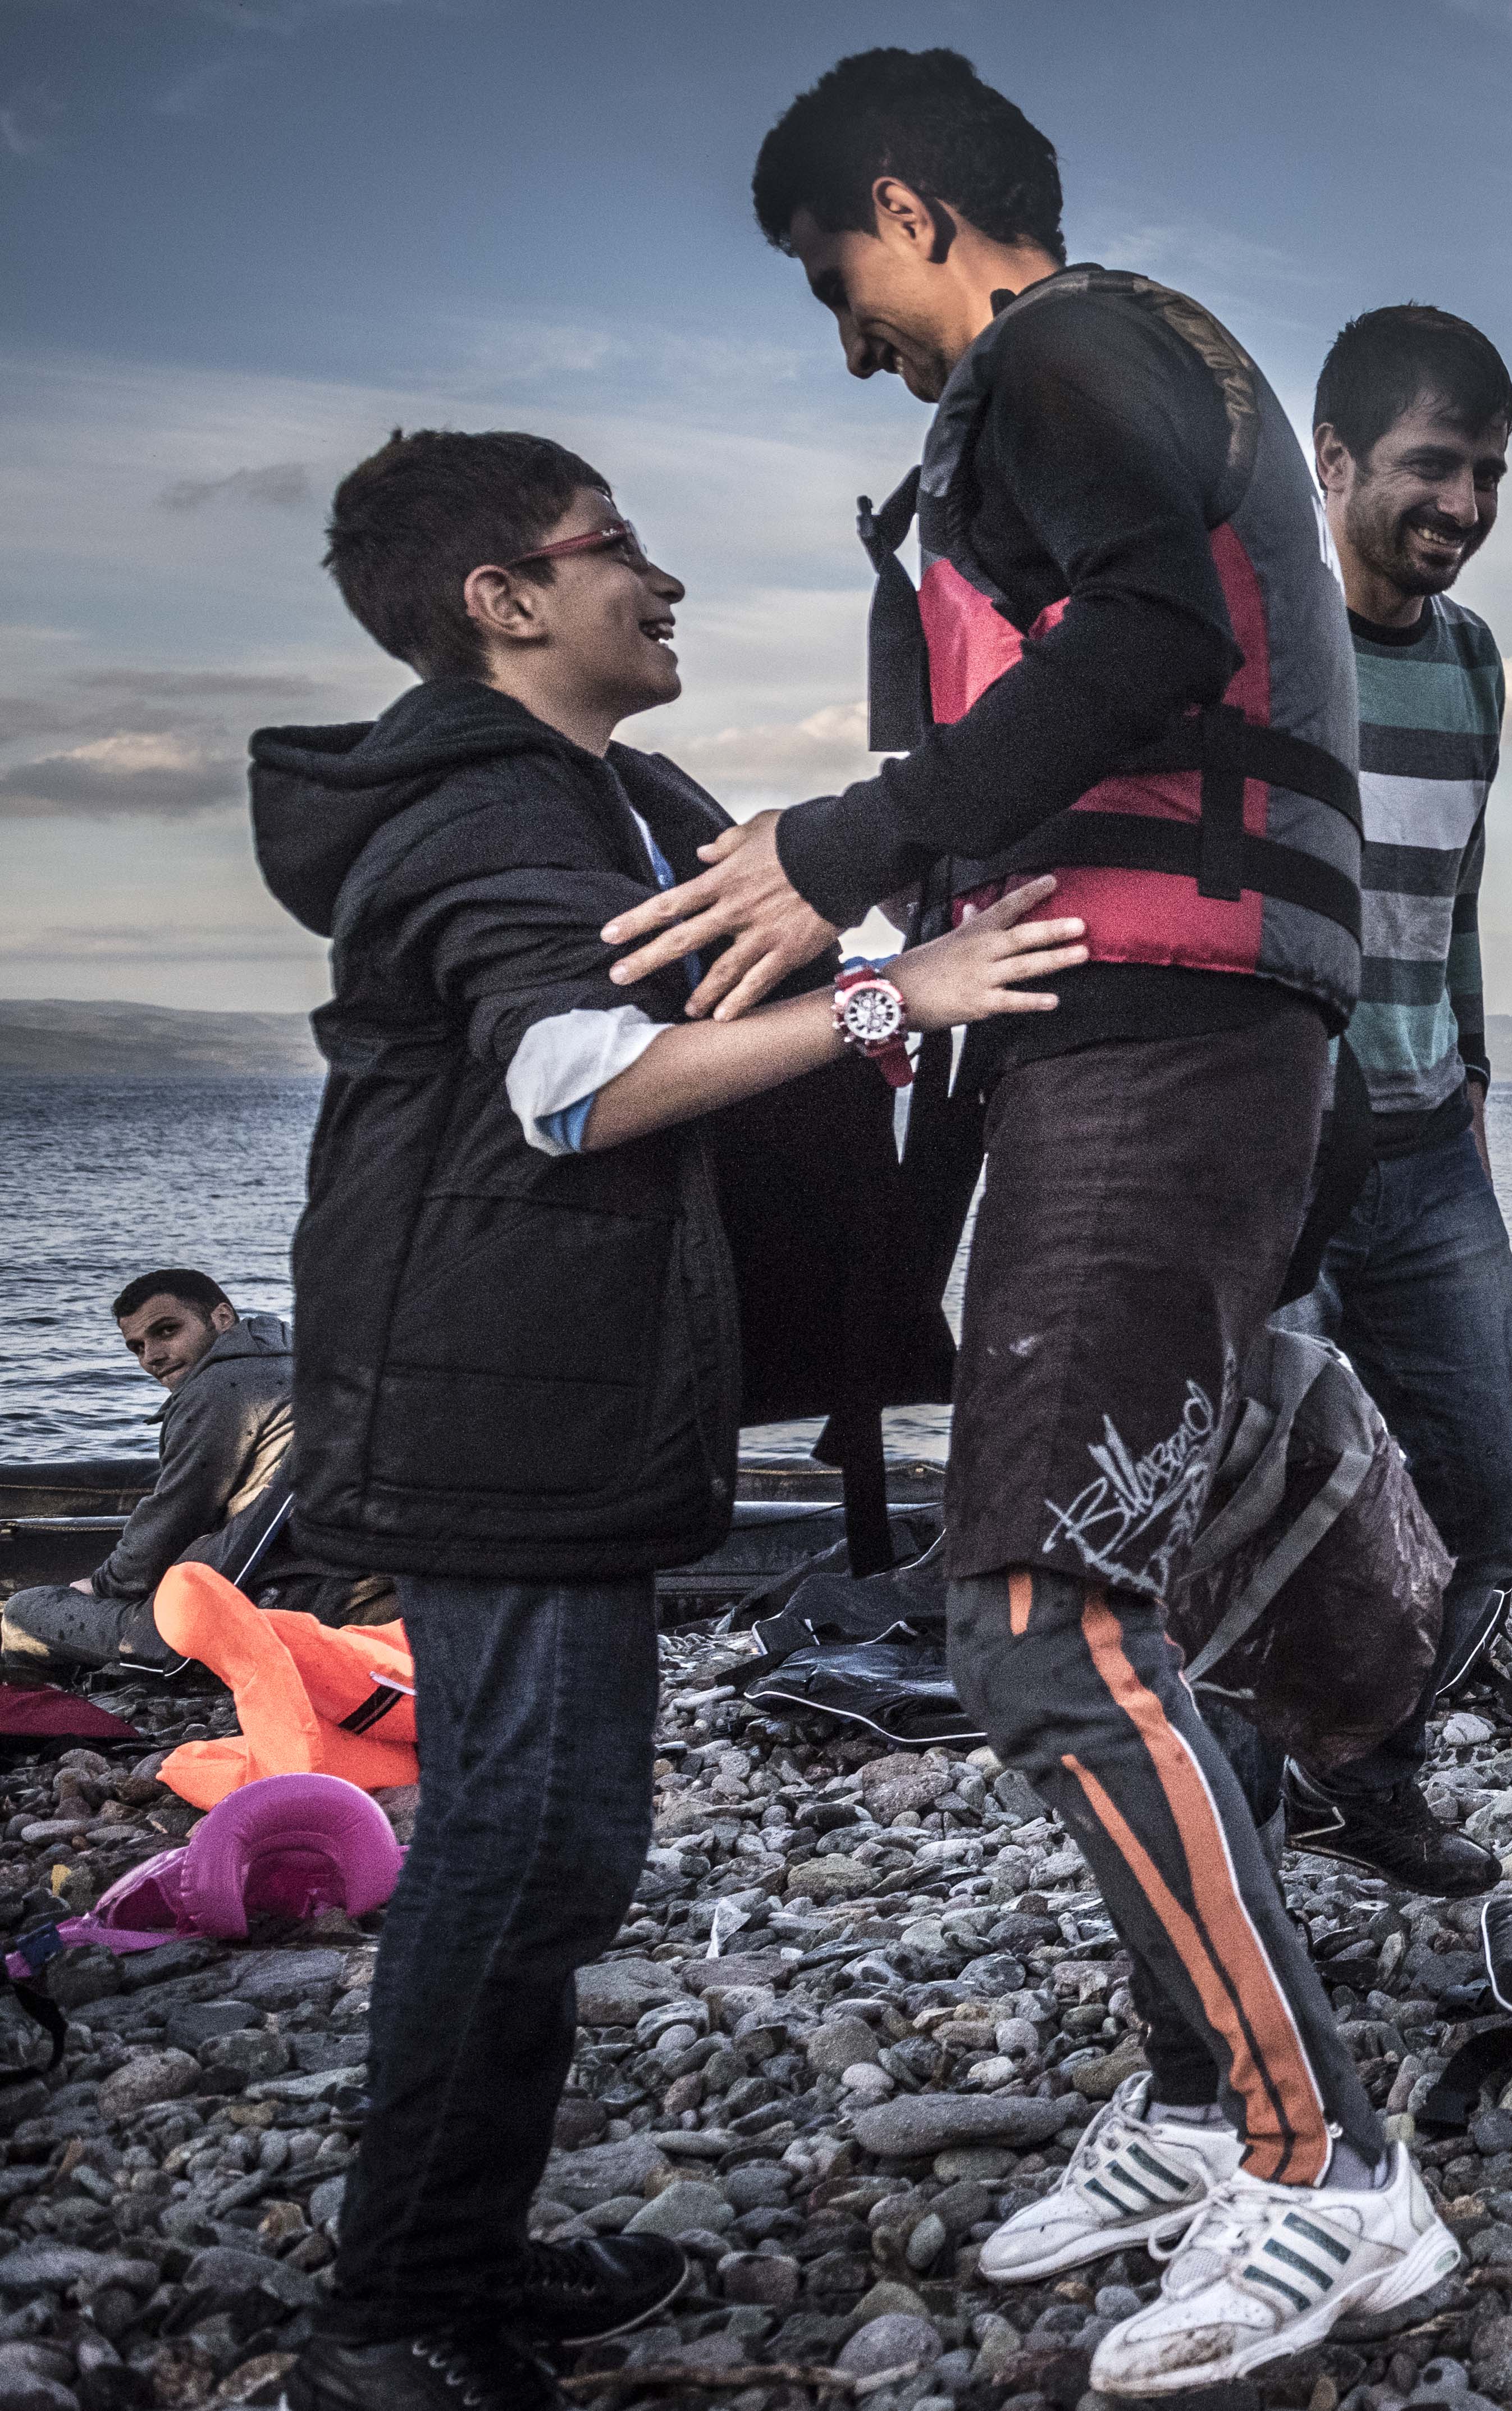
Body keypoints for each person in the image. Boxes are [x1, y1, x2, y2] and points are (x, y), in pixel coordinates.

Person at [611, 53, 1455, 2392]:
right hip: (1119, 1023)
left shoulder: (1066, 348)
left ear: (908, 207)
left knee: (1041, 1604)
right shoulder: (1116, 366)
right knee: (1087, 1586)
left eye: (836, 274)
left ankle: (1326, 2165)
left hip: (1169, 1025)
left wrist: (849, 843)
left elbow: (1160, 630)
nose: (842, 326)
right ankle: (1205, 2094)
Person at [253, 429, 1085, 2410]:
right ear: (504, 603)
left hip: (562, 1385)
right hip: (490, 1397)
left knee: (557, 1841)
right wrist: (915, 1002)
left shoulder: (607, 798)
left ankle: (460, 2252)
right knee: (522, 1845)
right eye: (612, 547)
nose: (664, 580)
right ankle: (388, 2318)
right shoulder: (481, 811)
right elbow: (574, 1076)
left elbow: (761, 962)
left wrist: (921, 926)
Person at [1275, 303, 1512, 1897]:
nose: (1464, 503)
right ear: (1332, 461)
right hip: (1282, 1142)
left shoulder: (1470, 659)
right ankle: (1240, 1807)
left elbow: (1451, 902)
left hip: (1431, 1135)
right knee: (1263, 1495)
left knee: (1501, 1479)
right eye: (1434, 466)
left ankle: (1362, 1761)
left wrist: (1477, 1090)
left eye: (1490, 473)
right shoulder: (1265, 642)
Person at [1, 1271, 291, 1677]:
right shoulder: (287, 1363)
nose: (151, 1357)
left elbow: (174, 1521)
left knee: (23, 1611)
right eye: (137, 1347)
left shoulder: (222, 1389)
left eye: (167, 1331)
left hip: (259, 1603)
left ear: (222, 1318)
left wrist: (101, 1587)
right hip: (291, 1571)